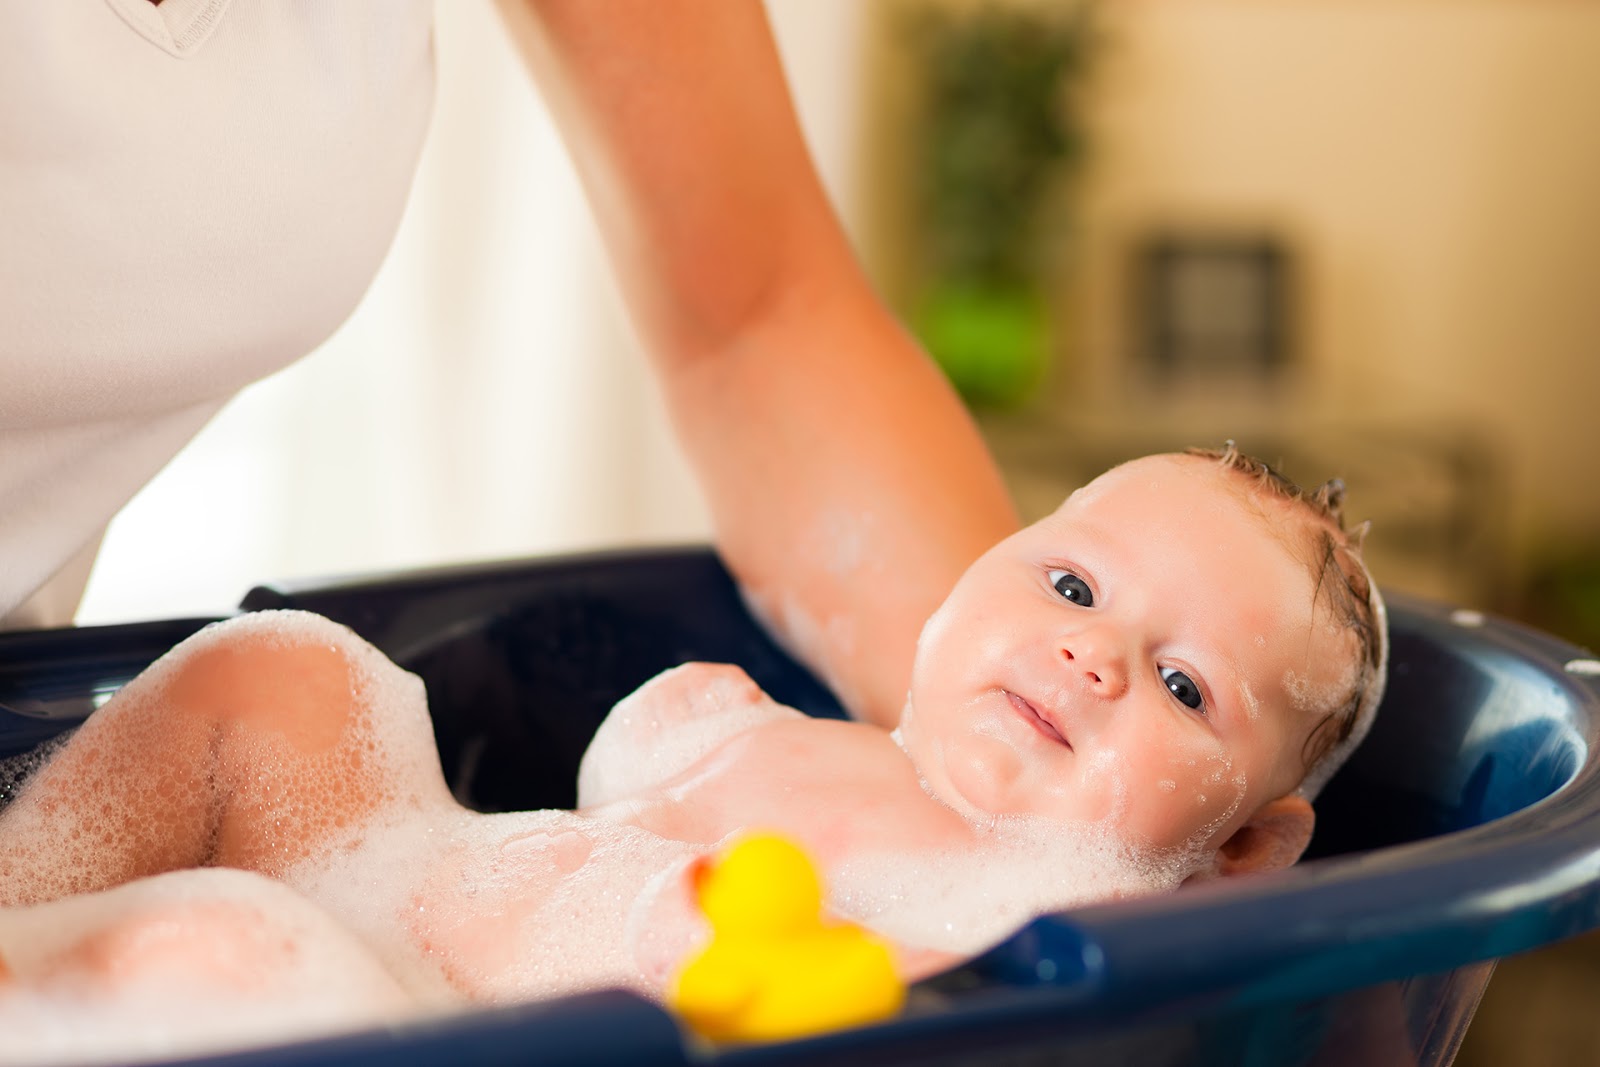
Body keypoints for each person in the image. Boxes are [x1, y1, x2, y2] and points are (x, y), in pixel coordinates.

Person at [0, 440, 1388, 1060]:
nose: (1094, 656)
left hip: (432, 1033)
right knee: (286, 669)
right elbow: (604, 795)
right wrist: (690, 731)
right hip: (409, 892)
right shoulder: (801, 738)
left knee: (216, 954)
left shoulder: (1071, 921)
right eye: (1072, 589)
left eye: (1185, 685)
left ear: (1243, 851)